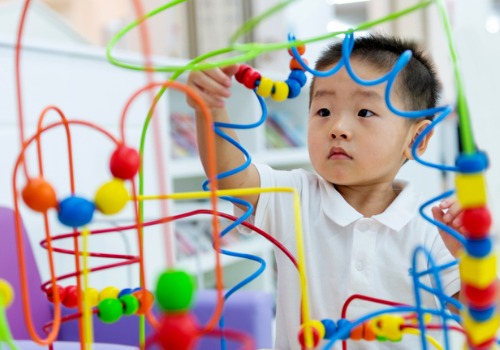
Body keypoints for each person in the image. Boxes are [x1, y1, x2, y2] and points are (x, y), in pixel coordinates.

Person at [186, 34, 464, 349]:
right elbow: (231, 178)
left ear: (418, 139)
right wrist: (209, 109)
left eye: (364, 113)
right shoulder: (295, 195)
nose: (338, 127)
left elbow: (473, 315)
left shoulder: (435, 229)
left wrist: (471, 258)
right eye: (323, 112)